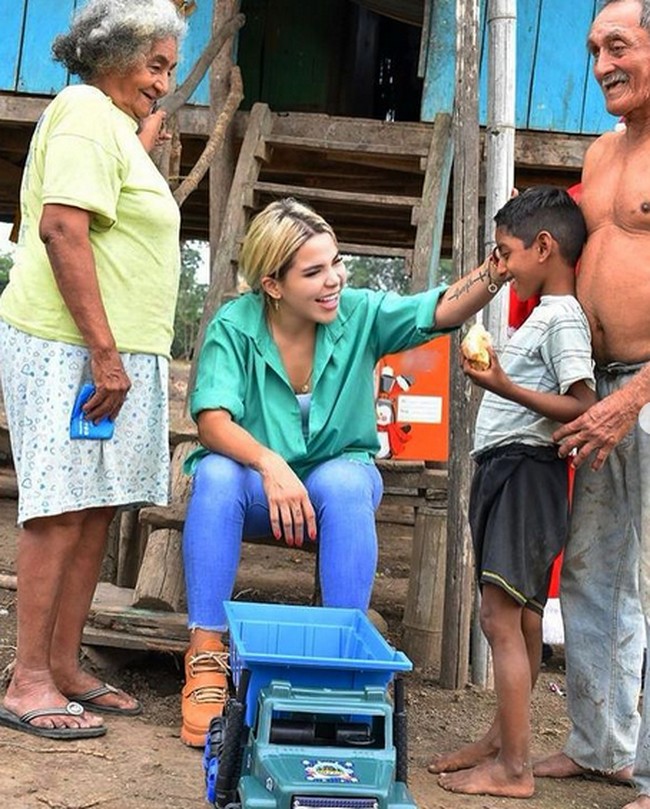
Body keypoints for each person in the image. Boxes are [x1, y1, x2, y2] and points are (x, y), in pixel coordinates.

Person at [179, 196, 511, 747]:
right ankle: (208, 657)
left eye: (336, 262)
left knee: (344, 477)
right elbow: (212, 420)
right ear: (273, 284)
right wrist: (270, 464)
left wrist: (494, 269)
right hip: (259, 493)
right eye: (314, 271)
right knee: (215, 473)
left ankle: (340, 662)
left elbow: (439, 310)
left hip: (333, 496)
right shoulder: (233, 326)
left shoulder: (358, 314)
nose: (334, 279)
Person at [0, 0, 185, 739]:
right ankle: (28, 678)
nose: (165, 83)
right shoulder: (80, 110)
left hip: (112, 348)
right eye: (156, 65)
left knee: (97, 505)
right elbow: (62, 227)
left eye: (170, 67)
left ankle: (66, 664)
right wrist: (104, 353)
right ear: (111, 55)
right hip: (73, 346)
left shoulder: (105, 122)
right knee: (61, 506)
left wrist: (139, 138)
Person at [427, 187, 596, 798]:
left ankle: (515, 769)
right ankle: (502, 740)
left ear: (544, 247)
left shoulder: (563, 316)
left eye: (507, 252)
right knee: (520, 615)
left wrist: (501, 383)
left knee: (498, 616)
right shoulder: (539, 315)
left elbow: (583, 405)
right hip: (508, 470)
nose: (501, 264)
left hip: (528, 472)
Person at [531, 3, 650, 807]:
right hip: (598, 391)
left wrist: (635, 395)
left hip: (646, 385)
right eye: (593, 48)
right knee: (594, 573)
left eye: (620, 45)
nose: (602, 61)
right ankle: (600, 743)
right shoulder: (602, 151)